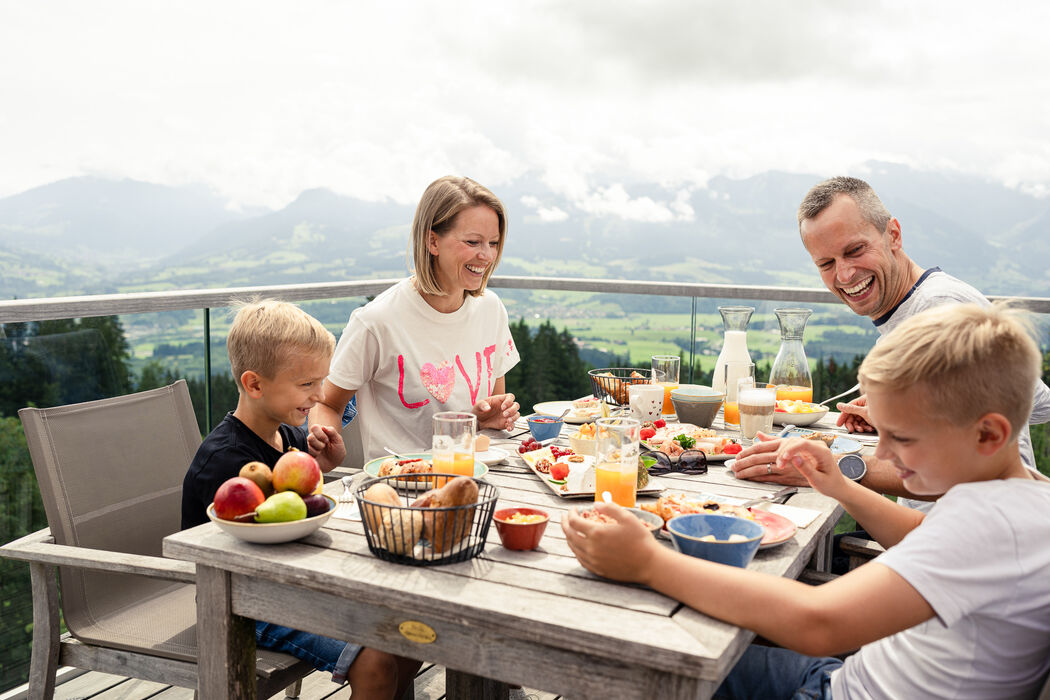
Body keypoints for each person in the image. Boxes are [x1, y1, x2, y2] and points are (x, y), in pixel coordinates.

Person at [564, 303, 1050, 699]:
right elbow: (926, 538)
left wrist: (646, 562)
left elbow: (818, 624)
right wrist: (839, 485)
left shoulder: (990, 524)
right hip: (849, 676)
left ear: (987, 434)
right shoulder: (1022, 498)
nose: (881, 454)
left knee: (635, 660)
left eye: (901, 437)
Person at [732, 176, 1050, 512]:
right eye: (826, 264)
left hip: (962, 531)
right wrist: (906, 413)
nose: (844, 275)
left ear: (893, 235)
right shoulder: (921, 304)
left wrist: (831, 469)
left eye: (855, 250)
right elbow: (1036, 401)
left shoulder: (939, 311)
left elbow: (979, 473)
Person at [181, 299, 418, 697]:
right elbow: (238, 554)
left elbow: (289, 511)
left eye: (321, 381)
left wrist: (320, 467)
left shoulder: (289, 437)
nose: (320, 395)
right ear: (255, 385)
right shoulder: (226, 464)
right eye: (308, 385)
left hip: (291, 582)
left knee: (409, 634)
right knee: (375, 660)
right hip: (243, 602)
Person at [310, 175, 521, 461]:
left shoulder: (491, 310)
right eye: (473, 242)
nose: (486, 256)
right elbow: (328, 404)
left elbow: (491, 409)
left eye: (493, 243)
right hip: (401, 481)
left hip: (472, 472)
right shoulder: (376, 321)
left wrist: (486, 420)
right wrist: (324, 444)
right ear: (432, 241)